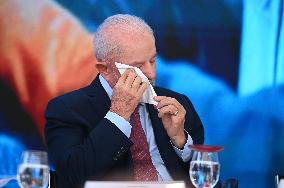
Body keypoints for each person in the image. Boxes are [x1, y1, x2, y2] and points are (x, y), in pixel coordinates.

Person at [45, 14, 204, 188]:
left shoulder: (177, 102)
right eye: (139, 66)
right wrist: (118, 115)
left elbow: (204, 174)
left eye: (152, 60)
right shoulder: (66, 109)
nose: (151, 73)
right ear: (104, 69)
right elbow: (73, 176)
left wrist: (180, 141)